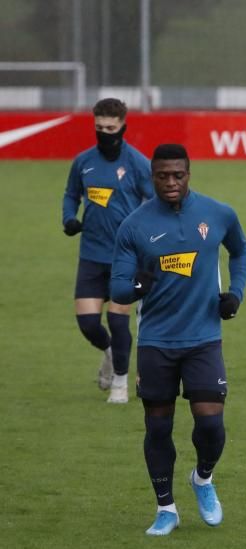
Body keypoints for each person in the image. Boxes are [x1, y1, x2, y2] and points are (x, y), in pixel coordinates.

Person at [110, 144, 246, 536]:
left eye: (178, 175)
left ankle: (203, 478)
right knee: (158, 428)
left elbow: (241, 251)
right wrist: (139, 284)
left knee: (211, 426)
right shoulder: (134, 226)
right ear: (152, 176)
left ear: (189, 174)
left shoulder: (218, 213)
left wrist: (235, 293)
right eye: (162, 176)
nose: (171, 182)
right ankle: (166, 509)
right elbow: (118, 288)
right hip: (156, 341)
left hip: (204, 338)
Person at [62, 98, 153, 403]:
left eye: (111, 128)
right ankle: (112, 352)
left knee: (117, 320)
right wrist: (69, 219)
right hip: (90, 255)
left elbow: (154, 203)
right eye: (99, 128)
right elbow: (71, 194)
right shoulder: (83, 161)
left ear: (123, 127)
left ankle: (120, 383)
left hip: (124, 257)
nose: (105, 133)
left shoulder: (137, 163)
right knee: (88, 324)